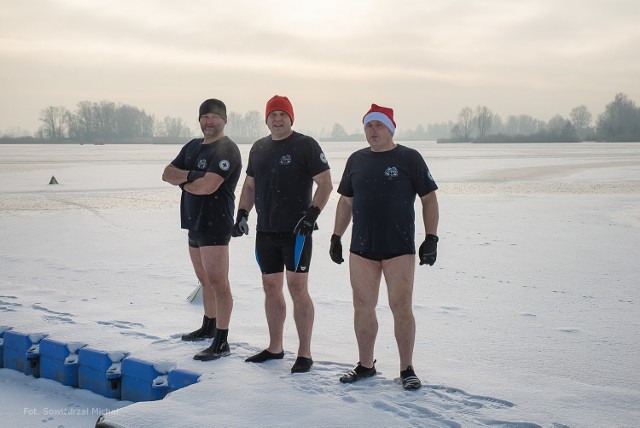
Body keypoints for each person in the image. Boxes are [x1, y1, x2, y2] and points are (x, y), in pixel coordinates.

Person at [330, 103, 439, 390]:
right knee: (362, 306)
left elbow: (429, 199)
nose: (373, 130)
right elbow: (346, 201)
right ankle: (365, 365)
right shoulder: (356, 160)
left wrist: (432, 238)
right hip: (362, 247)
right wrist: (336, 237)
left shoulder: (409, 158)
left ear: (391, 128)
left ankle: (407, 368)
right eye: (368, 125)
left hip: (399, 247)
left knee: (400, 306)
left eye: (379, 125)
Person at [232, 95, 333, 373]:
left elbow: (325, 183)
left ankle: (305, 353)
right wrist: (242, 214)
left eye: (282, 115)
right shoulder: (259, 148)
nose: (277, 119)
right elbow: (250, 186)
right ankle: (275, 347)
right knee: (270, 287)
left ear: (291, 118)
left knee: (297, 288)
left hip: (297, 231)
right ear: (266, 119)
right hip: (266, 231)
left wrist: (312, 215)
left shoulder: (305, 145)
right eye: (272, 115)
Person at [162, 98, 242, 361]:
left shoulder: (227, 149)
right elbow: (167, 173)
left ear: (224, 120)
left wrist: (184, 179)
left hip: (215, 223)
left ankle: (222, 341)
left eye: (214, 117)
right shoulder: (193, 147)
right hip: (193, 222)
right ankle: (208, 326)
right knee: (204, 280)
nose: (209, 121)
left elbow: (209, 186)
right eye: (205, 116)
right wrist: (191, 177)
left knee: (219, 282)